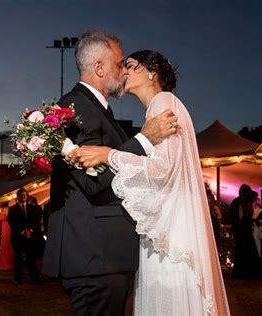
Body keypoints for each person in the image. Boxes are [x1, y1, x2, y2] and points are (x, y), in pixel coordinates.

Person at [67, 50, 230, 315]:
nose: (125, 71)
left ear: (151, 72)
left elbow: (161, 170)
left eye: (130, 65)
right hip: (167, 226)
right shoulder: (162, 106)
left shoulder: (162, 101)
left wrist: (108, 155)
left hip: (170, 238)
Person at [42, 31, 178, 316]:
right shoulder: (75, 108)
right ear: (100, 68)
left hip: (103, 255)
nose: (125, 70)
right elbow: (95, 181)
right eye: (119, 64)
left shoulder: (98, 111)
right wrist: (145, 139)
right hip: (94, 254)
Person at [8, 188, 43, 284]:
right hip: (17, 237)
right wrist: (23, 231)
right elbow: (12, 223)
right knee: (18, 259)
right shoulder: (12, 209)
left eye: (24, 194)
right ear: (17, 197)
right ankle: (18, 279)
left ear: (27, 196)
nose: (23, 196)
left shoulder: (33, 208)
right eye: (21, 195)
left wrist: (30, 231)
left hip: (31, 237)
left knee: (31, 258)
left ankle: (35, 278)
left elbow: (36, 221)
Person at [228, 184, 261, 279]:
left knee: (245, 249)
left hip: (243, 229)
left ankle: (245, 272)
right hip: (242, 229)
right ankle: (246, 273)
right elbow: (240, 217)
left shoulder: (243, 202)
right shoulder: (239, 203)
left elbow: (245, 217)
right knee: (245, 249)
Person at [0, 202, 14, 271]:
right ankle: (7, 263)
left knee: (7, 244)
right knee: (6, 245)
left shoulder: (4, 209)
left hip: (7, 227)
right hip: (4, 227)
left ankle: (7, 263)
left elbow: (0, 217)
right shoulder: (3, 209)